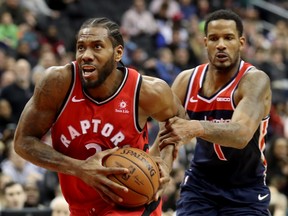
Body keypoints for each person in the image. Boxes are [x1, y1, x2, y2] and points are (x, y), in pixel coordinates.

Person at [13, 17, 185, 216]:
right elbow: (23, 142)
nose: (86, 55)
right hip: (80, 208)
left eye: (97, 47)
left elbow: (178, 121)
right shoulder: (58, 83)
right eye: (81, 47)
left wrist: (163, 161)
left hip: (132, 206)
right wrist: (79, 168)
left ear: (118, 53)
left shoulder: (147, 90)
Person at [159, 9, 272, 215]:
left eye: (228, 37)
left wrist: (196, 127)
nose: (221, 44)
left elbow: (241, 135)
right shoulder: (186, 81)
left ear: (241, 42)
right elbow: (167, 136)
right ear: (205, 43)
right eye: (214, 38)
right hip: (200, 186)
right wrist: (162, 168)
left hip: (246, 189)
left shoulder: (255, 80)